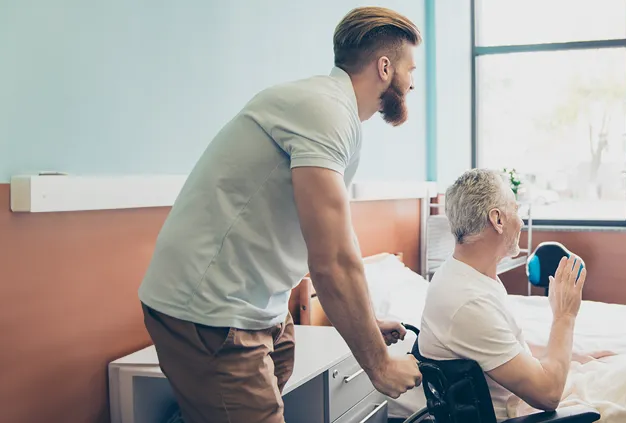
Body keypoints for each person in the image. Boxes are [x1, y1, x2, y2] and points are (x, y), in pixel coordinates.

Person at [136, 7, 423, 422]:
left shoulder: (332, 113)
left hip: (262, 307)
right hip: (211, 311)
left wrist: (367, 322)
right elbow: (333, 260)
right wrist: (378, 364)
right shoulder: (324, 111)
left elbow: (324, 239)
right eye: (410, 69)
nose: (412, 82)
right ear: (384, 67)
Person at [419, 169, 626, 422]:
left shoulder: (464, 276)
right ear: (497, 219)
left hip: (523, 396)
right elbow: (548, 394)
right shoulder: (468, 302)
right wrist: (564, 315)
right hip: (526, 411)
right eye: (516, 209)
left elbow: (506, 346)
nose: (520, 221)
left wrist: (575, 355)